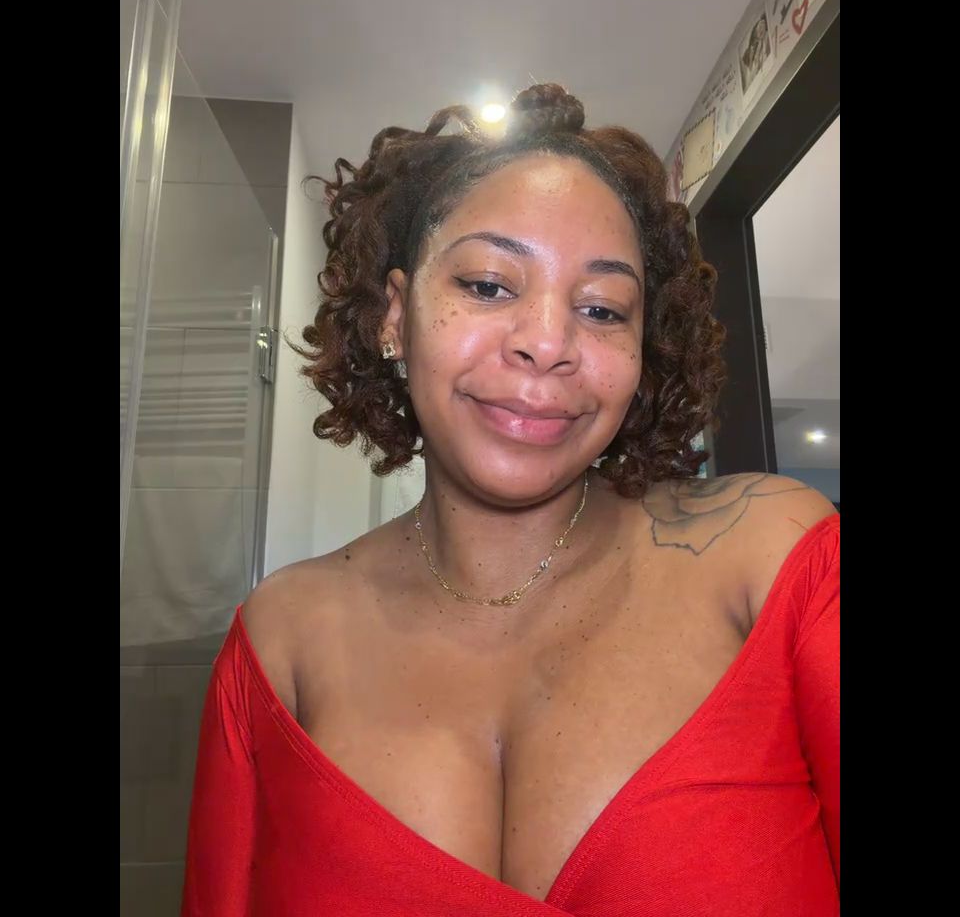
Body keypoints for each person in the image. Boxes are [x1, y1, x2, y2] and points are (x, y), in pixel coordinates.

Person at [181, 83, 839, 916]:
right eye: (489, 285)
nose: (548, 343)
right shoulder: (281, 641)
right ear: (394, 317)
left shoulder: (775, 562)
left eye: (602, 309)